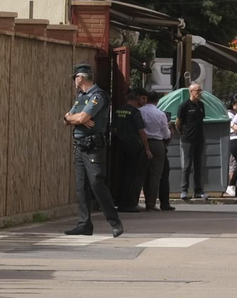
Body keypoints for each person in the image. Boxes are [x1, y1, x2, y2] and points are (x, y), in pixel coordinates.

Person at [63, 64, 123, 237]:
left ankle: (115, 222)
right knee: (81, 187)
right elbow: (66, 118)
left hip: (93, 146)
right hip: (79, 145)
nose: (74, 81)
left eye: (75, 77)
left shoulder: (98, 96)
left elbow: (81, 117)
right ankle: (84, 224)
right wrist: (74, 119)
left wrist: (77, 118)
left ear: (80, 78)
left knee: (97, 183)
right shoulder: (81, 97)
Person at [136, 89, 174, 211]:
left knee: (140, 174)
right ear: (157, 101)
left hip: (141, 143)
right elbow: (166, 134)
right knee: (155, 175)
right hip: (157, 144)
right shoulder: (160, 114)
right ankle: (150, 204)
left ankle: (134, 201)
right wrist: (169, 129)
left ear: (146, 99)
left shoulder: (139, 111)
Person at [108, 90, 145, 212]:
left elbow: (113, 128)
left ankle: (118, 200)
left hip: (119, 145)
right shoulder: (135, 112)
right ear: (137, 99)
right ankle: (127, 203)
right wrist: (147, 148)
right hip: (132, 146)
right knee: (131, 175)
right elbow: (141, 131)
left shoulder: (118, 110)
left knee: (120, 173)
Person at [178, 83, 208, 200]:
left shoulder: (201, 105)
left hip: (199, 139)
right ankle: (184, 190)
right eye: (198, 90)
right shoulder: (184, 105)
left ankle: (198, 191)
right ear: (191, 92)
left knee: (198, 165)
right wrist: (183, 134)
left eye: (200, 90)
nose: (200, 93)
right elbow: (178, 122)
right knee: (187, 165)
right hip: (187, 139)